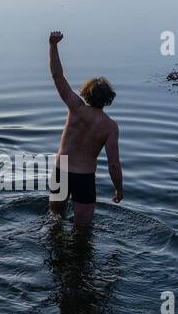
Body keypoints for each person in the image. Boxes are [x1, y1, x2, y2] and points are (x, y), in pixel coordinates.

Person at [46, 31, 123, 226]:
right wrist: (119, 189)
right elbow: (113, 164)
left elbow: (57, 76)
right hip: (84, 178)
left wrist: (53, 45)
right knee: (83, 231)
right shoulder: (110, 127)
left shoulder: (76, 108)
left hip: (60, 171)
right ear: (108, 98)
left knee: (54, 221)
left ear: (86, 94)